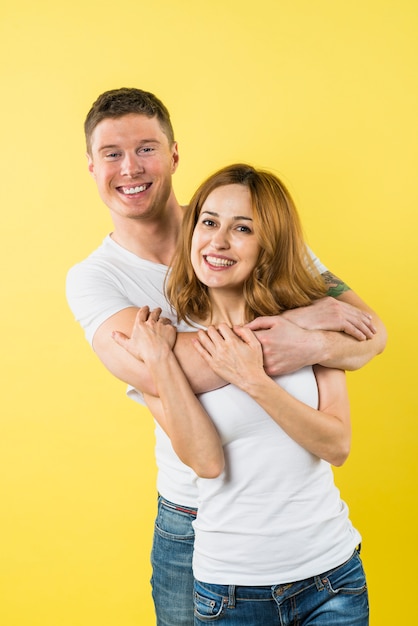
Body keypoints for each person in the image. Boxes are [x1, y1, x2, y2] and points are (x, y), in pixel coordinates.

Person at [66, 88, 385, 625]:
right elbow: (156, 371)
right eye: (112, 154)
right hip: (189, 517)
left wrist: (316, 343)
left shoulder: (245, 220)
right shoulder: (95, 279)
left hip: (301, 528)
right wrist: (301, 321)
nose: (130, 167)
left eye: (146, 148)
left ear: (173, 155)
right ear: (91, 166)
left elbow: (369, 332)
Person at [113, 163, 369, 625]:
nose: (218, 241)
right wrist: (160, 362)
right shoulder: (167, 342)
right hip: (231, 590)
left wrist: (253, 378)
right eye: (208, 222)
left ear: (267, 246)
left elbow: (337, 446)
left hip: (332, 576)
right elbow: (206, 462)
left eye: (243, 228)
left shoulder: (306, 324)